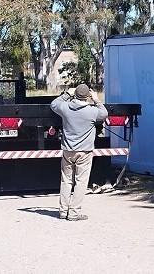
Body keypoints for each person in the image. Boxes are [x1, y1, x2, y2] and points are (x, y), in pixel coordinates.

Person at [50, 84, 108, 221]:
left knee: (66, 181)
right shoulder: (92, 111)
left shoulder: (65, 108)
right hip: (85, 151)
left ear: (74, 94)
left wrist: (67, 94)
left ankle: (63, 211)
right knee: (81, 182)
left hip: (68, 150)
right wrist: (96, 99)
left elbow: (54, 104)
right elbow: (104, 113)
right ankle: (74, 212)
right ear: (88, 96)